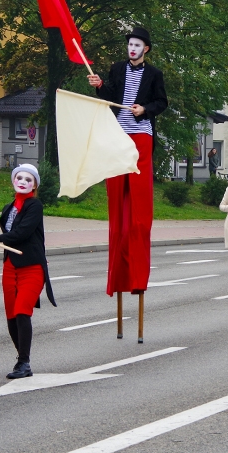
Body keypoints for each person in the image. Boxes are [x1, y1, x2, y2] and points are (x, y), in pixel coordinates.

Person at [87, 26, 168, 298]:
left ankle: (138, 274)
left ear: (145, 49)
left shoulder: (155, 74)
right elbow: (111, 96)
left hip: (141, 135)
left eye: (137, 45)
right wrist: (100, 86)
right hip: (117, 134)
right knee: (116, 201)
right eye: (129, 44)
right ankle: (118, 274)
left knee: (139, 204)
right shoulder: (117, 68)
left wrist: (145, 109)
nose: (132, 48)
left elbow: (162, 102)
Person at [0, 164, 56, 379]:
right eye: (19, 178)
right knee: (11, 315)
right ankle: (22, 359)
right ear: (13, 181)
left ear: (34, 185)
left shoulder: (34, 205)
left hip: (32, 267)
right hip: (10, 265)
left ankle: (24, 362)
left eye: (29, 180)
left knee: (21, 311)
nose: (23, 182)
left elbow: (22, 232)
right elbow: (9, 231)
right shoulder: (8, 208)